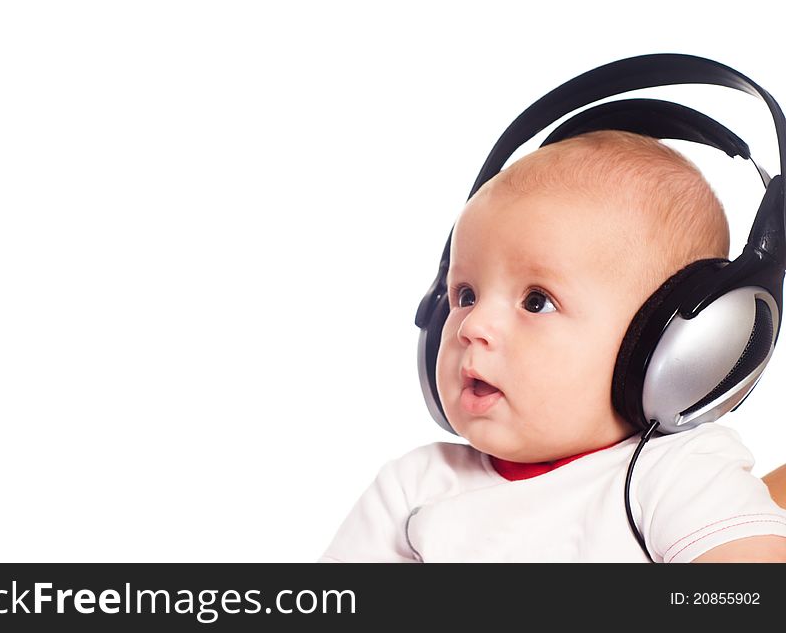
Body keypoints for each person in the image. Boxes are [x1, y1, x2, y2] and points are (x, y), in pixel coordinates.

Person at [319, 130, 786, 562]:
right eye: (465, 294)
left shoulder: (679, 476)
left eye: (536, 301)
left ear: (671, 349)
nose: (472, 325)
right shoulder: (412, 488)